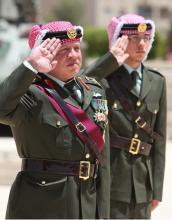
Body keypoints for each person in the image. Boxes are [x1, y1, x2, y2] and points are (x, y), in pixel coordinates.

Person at [0, 20, 128, 219]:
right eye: (63, 50)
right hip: (44, 202)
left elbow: (102, 156)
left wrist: (103, 209)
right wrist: (30, 66)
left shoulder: (93, 90)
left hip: (86, 201)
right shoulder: (30, 92)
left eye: (76, 48)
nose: (73, 55)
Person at [86, 14, 167, 219]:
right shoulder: (104, 79)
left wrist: (156, 189)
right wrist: (110, 59)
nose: (142, 44)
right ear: (119, 40)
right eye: (133, 38)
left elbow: (159, 139)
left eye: (146, 38)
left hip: (142, 183)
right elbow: (82, 82)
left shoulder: (156, 81)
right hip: (113, 181)